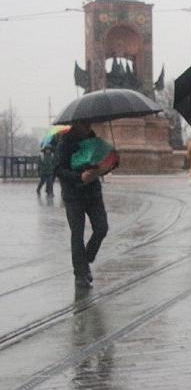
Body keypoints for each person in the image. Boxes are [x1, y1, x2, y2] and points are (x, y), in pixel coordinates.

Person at [55, 122, 111, 289]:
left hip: (93, 193)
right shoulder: (64, 144)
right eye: (85, 124)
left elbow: (101, 163)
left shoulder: (94, 141)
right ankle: (80, 274)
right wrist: (79, 177)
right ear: (77, 124)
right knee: (77, 234)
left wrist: (108, 165)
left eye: (89, 124)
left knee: (101, 228)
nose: (88, 126)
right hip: (73, 196)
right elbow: (58, 170)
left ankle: (86, 259)